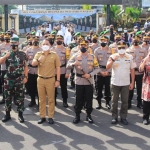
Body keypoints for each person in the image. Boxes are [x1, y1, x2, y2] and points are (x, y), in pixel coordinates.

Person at [66, 40, 100, 124]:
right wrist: (74, 63)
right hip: (79, 81)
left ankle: (88, 115)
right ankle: (77, 115)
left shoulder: (92, 56)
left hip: (89, 81)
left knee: (89, 99)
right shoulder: (75, 56)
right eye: (81, 45)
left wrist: (91, 74)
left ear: (87, 46)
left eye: (85, 45)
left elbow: (97, 68)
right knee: (78, 99)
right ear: (79, 46)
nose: (83, 47)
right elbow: (68, 66)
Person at [106, 41, 135, 125]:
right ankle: (114, 117)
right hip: (115, 82)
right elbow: (107, 67)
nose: (121, 49)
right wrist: (113, 60)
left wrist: (132, 82)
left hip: (125, 82)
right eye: (119, 48)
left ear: (125, 48)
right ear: (117, 48)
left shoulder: (130, 57)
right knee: (114, 101)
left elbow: (132, 70)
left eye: (123, 47)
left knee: (125, 101)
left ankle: (123, 117)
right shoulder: (112, 56)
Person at [0, 37, 28, 123]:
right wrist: (5, 56)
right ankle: (7, 114)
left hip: (19, 78)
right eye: (12, 42)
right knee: (7, 97)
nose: (13, 44)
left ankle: (20, 114)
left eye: (15, 43)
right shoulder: (6, 53)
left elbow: (26, 66)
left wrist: (26, 77)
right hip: (8, 79)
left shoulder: (23, 54)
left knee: (20, 97)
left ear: (18, 43)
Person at [32, 39, 60, 124]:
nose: (45, 45)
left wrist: (58, 80)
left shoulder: (54, 55)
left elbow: (58, 68)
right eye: (43, 44)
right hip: (40, 79)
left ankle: (50, 116)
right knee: (41, 99)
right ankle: (42, 116)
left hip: (50, 79)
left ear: (50, 45)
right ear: (41, 45)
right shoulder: (38, 54)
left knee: (51, 99)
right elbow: (33, 64)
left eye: (46, 44)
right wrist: (39, 60)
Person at [127, 36, 147, 109]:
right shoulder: (128, 50)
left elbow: (145, 61)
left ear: (139, 40)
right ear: (132, 41)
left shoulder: (143, 50)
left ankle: (139, 102)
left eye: (137, 40)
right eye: (134, 40)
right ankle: (129, 102)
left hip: (140, 72)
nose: (135, 41)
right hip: (130, 72)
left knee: (140, 88)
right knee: (130, 88)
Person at [51, 35, 70, 107]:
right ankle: (54, 101)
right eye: (57, 39)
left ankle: (65, 101)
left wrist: (67, 72)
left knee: (63, 87)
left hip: (62, 70)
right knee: (53, 87)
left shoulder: (66, 49)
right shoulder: (52, 49)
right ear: (55, 40)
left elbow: (68, 62)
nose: (59, 40)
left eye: (60, 39)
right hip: (54, 71)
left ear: (63, 40)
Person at [94, 35, 111, 109]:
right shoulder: (97, 50)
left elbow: (113, 62)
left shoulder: (111, 50)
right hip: (99, 71)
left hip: (108, 71)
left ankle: (107, 102)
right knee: (99, 88)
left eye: (105, 40)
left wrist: (108, 71)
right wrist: (100, 72)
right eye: (102, 40)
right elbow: (95, 63)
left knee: (108, 88)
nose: (103, 42)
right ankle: (99, 103)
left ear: (107, 41)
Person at [26, 38, 42, 107]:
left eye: (36, 40)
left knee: (39, 88)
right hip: (30, 71)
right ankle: (32, 101)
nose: (35, 41)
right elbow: (25, 60)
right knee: (31, 87)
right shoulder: (28, 50)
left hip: (39, 71)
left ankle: (39, 102)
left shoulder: (41, 50)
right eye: (34, 40)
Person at [0, 33, 11, 104]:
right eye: (5, 38)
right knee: (4, 84)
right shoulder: (1, 46)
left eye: (8, 38)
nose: (6, 40)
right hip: (3, 67)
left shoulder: (12, 46)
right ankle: (4, 98)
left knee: (11, 83)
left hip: (11, 68)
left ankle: (12, 97)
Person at [139, 54, 150, 125]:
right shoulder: (146, 60)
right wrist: (146, 60)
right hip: (147, 83)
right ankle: (145, 118)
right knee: (146, 102)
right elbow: (140, 69)